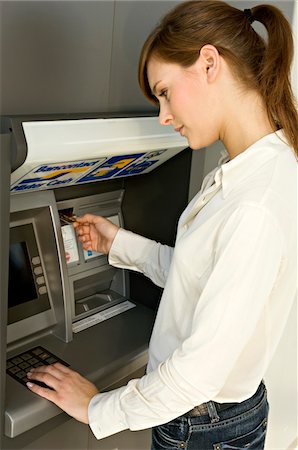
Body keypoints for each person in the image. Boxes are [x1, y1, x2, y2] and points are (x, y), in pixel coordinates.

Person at [26, 1, 297, 448]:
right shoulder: (256, 169)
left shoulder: (254, 204)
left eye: (165, 91)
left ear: (209, 63)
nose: (163, 116)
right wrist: (118, 242)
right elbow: (199, 280)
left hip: (202, 427)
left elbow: (197, 375)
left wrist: (98, 408)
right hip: (221, 419)